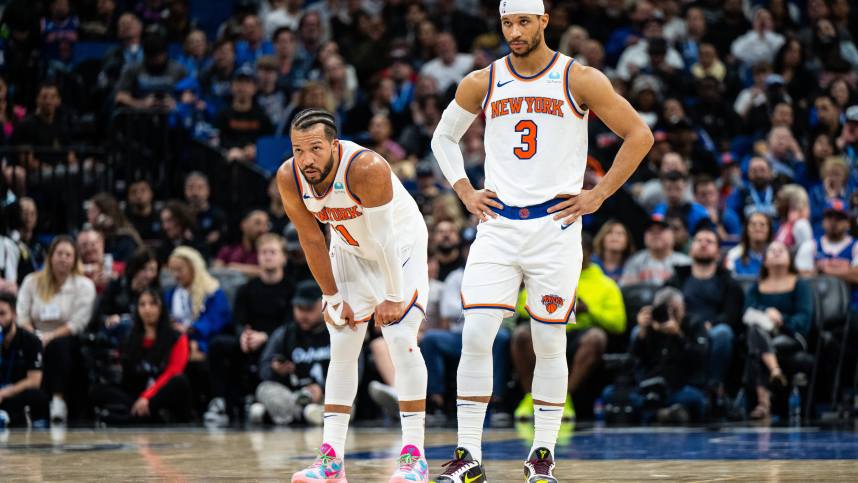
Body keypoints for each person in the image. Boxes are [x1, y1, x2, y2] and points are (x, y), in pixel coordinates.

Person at [428, 1, 654, 480]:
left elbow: (639, 134)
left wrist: (599, 196)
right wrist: (464, 190)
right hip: (498, 225)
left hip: (556, 228)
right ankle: (468, 456)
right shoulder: (481, 80)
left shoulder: (579, 78)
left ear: (544, 22)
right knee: (475, 335)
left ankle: (542, 456)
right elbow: (442, 139)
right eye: (507, 22)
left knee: (549, 339)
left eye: (524, 21)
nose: (514, 30)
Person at [277, 108, 431, 483]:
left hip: (399, 250)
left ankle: (414, 457)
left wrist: (394, 296)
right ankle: (331, 462)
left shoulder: (366, 168)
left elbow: (384, 240)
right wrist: (331, 299)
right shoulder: (289, 176)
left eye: (315, 148)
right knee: (343, 342)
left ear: (333, 144)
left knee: (401, 341)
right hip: (348, 250)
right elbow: (311, 239)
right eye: (299, 150)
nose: (306, 159)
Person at [512, 232, 625, 420]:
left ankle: (562, 399)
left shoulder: (606, 284)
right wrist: (554, 307)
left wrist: (588, 310)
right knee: (521, 334)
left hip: (579, 334)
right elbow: (523, 305)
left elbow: (618, 323)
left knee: (596, 337)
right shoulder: (548, 274)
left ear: (590, 253)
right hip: (549, 329)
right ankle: (531, 397)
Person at [204, 234, 294, 426]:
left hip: (277, 341)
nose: (268, 256)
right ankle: (220, 401)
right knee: (218, 345)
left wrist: (266, 337)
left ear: (283, 258)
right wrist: (244, 336)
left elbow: (290, 324)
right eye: (263, 252)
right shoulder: (246, 289)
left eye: (272, 252)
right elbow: (238, 320)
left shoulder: (290, 288)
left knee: (279, 348)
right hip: (250, 339)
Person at [16, 236, 96, 423]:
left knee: (58, 347)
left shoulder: (84, 285)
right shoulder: (31, 281)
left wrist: (48, 337)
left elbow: (78, 323)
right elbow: (22, 317)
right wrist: (35, 337)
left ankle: (58, 400)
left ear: (75, 259)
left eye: (68, 254)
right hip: (32, 335)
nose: (63, 258)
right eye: (59, 253)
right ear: (50, 256)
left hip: (67, 339)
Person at [603, 287, 709, 423]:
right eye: (665, 310)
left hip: (679, 386)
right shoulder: (649, 327)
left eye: (674, 310)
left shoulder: (694, 324)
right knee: (610, 393)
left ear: (683, 308)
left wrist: (678, 335)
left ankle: (648, 414)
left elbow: (699, 358)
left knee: (695, 399)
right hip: (648, 389)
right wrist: (642, 332)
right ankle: (661, 414)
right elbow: (631, 362)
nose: (669, 315)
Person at [89, 289, 192, 423]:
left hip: (159, 393)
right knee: (97, 390)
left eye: (152, 304)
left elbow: (173, 372)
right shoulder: (130, 335)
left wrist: (147, 397)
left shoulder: (177, 337)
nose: (147, 309)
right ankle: (144, 416)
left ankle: (134, 416)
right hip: (135, 395)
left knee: (180, 381)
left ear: (161, 307)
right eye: (142, 304)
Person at [666, 227, 744, 396]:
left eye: (709, 242)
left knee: (723, 333)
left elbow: (731, 315)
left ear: (718, 252)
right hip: (681, 329)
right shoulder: (677, 278)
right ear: (691, 248)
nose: (703, 244)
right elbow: (665, 305)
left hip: (712, 329)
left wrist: (710, 325)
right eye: (699, 240)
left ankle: (715, 387)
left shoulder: (728, 281)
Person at [743, 241, 812, 420]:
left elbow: (803, 320)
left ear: (790, 258)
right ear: (764, 261)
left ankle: (763, 403)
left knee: (755, 344)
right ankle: (774, 372)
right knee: (755, 331)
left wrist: (781, 319)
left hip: (791, 337)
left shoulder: (800, 285)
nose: (775, 253)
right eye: (771, 251)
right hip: (763, 334)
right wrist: (766, 313)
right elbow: (747, 312)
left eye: (780, 250)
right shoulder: (756, 287)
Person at [255, 280, 331, 425]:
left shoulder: (336, 332)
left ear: (324, 305)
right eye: (299, 308)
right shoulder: (284, 334)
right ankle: (306, 414)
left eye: (309, 309)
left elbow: (355, 370)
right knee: (264, 389)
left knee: (346, 397)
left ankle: (274, 414)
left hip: (328, 395)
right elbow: (263, 371)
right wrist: (276, 370)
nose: (303, 314)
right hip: (293, 395)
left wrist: (321, 389)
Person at [164, 246, 231, 357]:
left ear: (193, 268)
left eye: (180, 270)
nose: (176, 275)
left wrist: (191, 329)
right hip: (177, 339)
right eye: (173, 270)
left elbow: (215, 321)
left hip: (204, 340)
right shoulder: (171, 294)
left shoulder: (212, 293)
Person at [795, 199, 858, 309]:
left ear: (848, 223)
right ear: (823, 221)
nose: (834, 222)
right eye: (829, 217)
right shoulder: (810, 245)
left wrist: (823, 270)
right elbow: (802, 277)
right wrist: (846, 272)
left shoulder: (855, 246)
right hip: (817, 305)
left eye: (839, 218)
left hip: (852, 305)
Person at [0, 291, 49, 427]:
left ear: (14, 315)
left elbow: (34, 381)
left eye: (2, 314)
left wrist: (4, 392)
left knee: (37, 396)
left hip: (16, 392)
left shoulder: (30, 340)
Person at [621, 213, 691, 287]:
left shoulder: (685, 263)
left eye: (661, 229)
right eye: (650, 230)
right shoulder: (635, 261)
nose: (655, 234)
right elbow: (625, 289)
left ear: (672, 234)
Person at [86, 193, 144, 263]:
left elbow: (128, 264)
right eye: (88, 211)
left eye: (93, 211)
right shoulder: (88, 238)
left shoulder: (125, 238)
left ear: (104, 215)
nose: (88, 215)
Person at [213, 210, 270, 278]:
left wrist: (235, 268)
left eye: (266, 224)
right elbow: (215, 271)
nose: (262, 229)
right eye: (257, 223)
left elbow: (271, 272)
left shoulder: (269, 252)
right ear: (243, 224)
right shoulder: (228, 250)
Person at [184, 172, 227, 257]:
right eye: (191, 188)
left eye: (200, 188)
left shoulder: (218, 215)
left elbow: (218, 242)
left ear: (208, 190)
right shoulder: (181, 215)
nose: (195, 193)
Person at [724, 212, 773, 279]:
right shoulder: (734, 255)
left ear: (769, 230)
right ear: (746, 229)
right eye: (753, 224)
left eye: (762, 225)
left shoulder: (776, 255)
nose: (758, 228)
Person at [77, 229, 123, 294]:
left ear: (102, 243)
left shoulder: (120, 268)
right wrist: (92, 283)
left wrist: (117, 281)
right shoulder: (77, 273)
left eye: (93, 244)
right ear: (78, 249)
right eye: (84, 245)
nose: (89, 249)